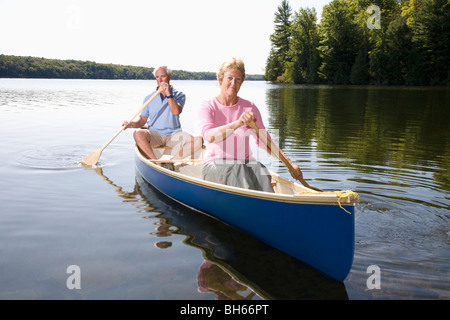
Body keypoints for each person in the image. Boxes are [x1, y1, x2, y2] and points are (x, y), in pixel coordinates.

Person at [198, 58, 303, 192]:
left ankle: (271, 205)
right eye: (229, 78)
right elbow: (210, 136)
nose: (233, 83)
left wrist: (289, 164)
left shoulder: (250, 108)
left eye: (238, 79)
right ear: (220, 79)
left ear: (242, 82)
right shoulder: (208, 106)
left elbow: (265, 142)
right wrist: (238, 123)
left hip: (244, 165)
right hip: (214, 166)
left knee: (260, 170)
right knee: (239, 169)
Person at [123, 66, 202, 164]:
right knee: (138, 133)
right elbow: (142, 120)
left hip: (174, 135)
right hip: (155, 134)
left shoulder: (179, 95)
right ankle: (157, 162)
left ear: (169, 77)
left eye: (163, 76)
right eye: (157, 77)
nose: (160, 80)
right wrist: (132, 124)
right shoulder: (149, 97)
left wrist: (168, 93)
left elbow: (176, 111)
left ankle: (172, 161)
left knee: (198, 139)